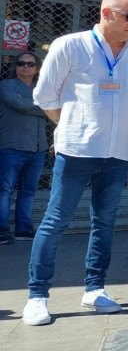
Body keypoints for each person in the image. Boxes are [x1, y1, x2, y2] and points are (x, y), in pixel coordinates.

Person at [24, 0, 128, 326]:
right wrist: (72, 125)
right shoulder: (71, 45)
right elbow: (44, 95)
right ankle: (37, 295)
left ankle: (94, 289)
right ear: (107, 13)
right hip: (77, 150)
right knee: (56, 220)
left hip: (118, 152)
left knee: (105, 223)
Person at [0, 52, 48, 245]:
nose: (25, 67)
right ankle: (2, 230)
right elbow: (19, 105)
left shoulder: (42, 89)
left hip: (38, 148)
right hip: (12, 145)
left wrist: (37, 106)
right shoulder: (5, 86)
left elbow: (55, 106)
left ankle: (23, 228)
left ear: (37, 68)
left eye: (30, 64)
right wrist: (44, 107)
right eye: (21, 63)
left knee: (28, 190)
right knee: (5, 189)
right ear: (15, 67)